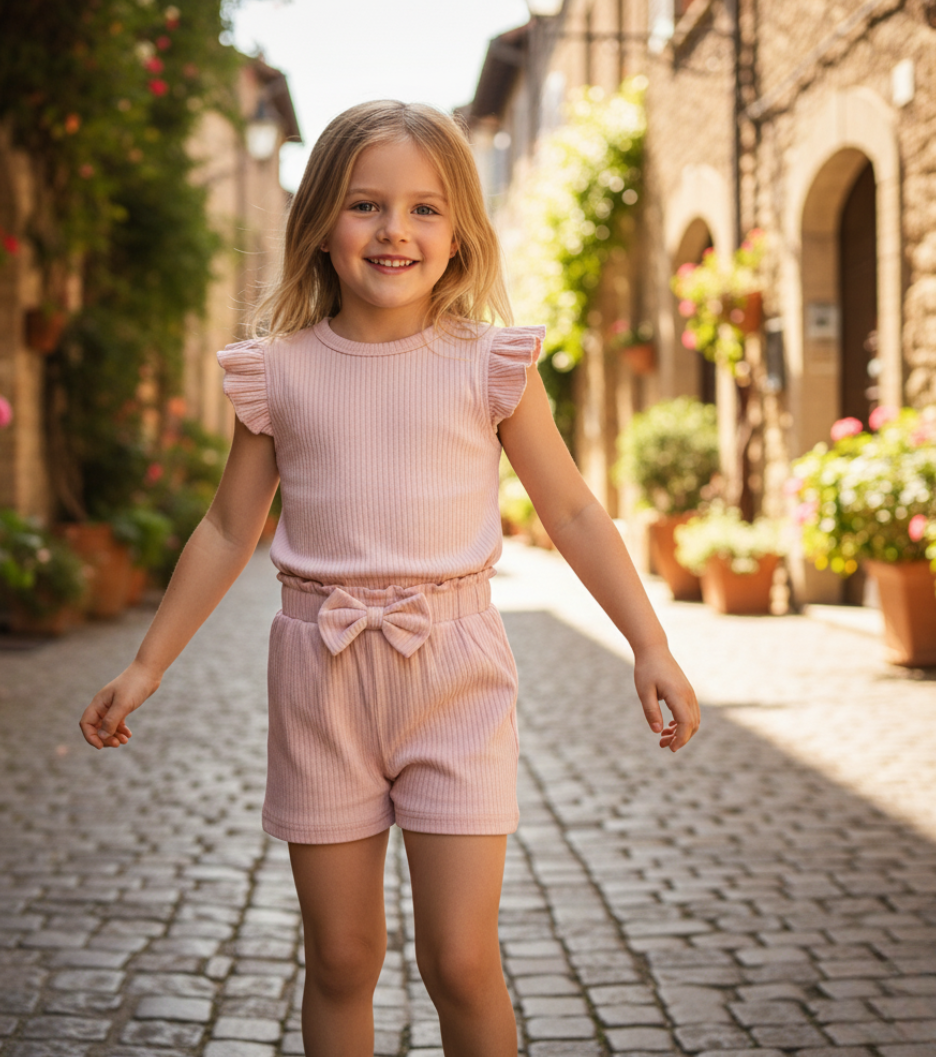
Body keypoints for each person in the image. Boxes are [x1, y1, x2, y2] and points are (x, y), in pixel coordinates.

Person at [80, 99, 699, 1057]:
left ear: (459, 235)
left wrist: (649, 642)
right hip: (319, 673)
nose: (395, 231)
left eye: (425, 209)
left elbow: (573, 509)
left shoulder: (491, 365)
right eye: (366, 205)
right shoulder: (276, 373)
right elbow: (225, 527)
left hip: (455, 669)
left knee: (459, 959)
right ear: (322, 223)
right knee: (340, 956)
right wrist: (146, 666)